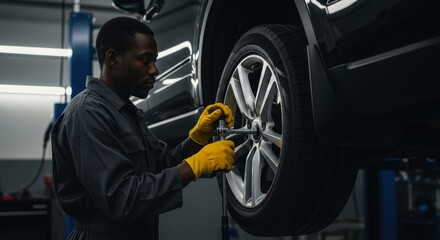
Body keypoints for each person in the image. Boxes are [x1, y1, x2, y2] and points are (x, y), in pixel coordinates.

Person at [51, 16, 235, 240]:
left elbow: (160, 165)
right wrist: (194, 166)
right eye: (145, 60)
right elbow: (121, 199)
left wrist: (196, 141)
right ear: (113, 59)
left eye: (154, 61)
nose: (154, 70)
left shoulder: (126, 112)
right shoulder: (87, 113)